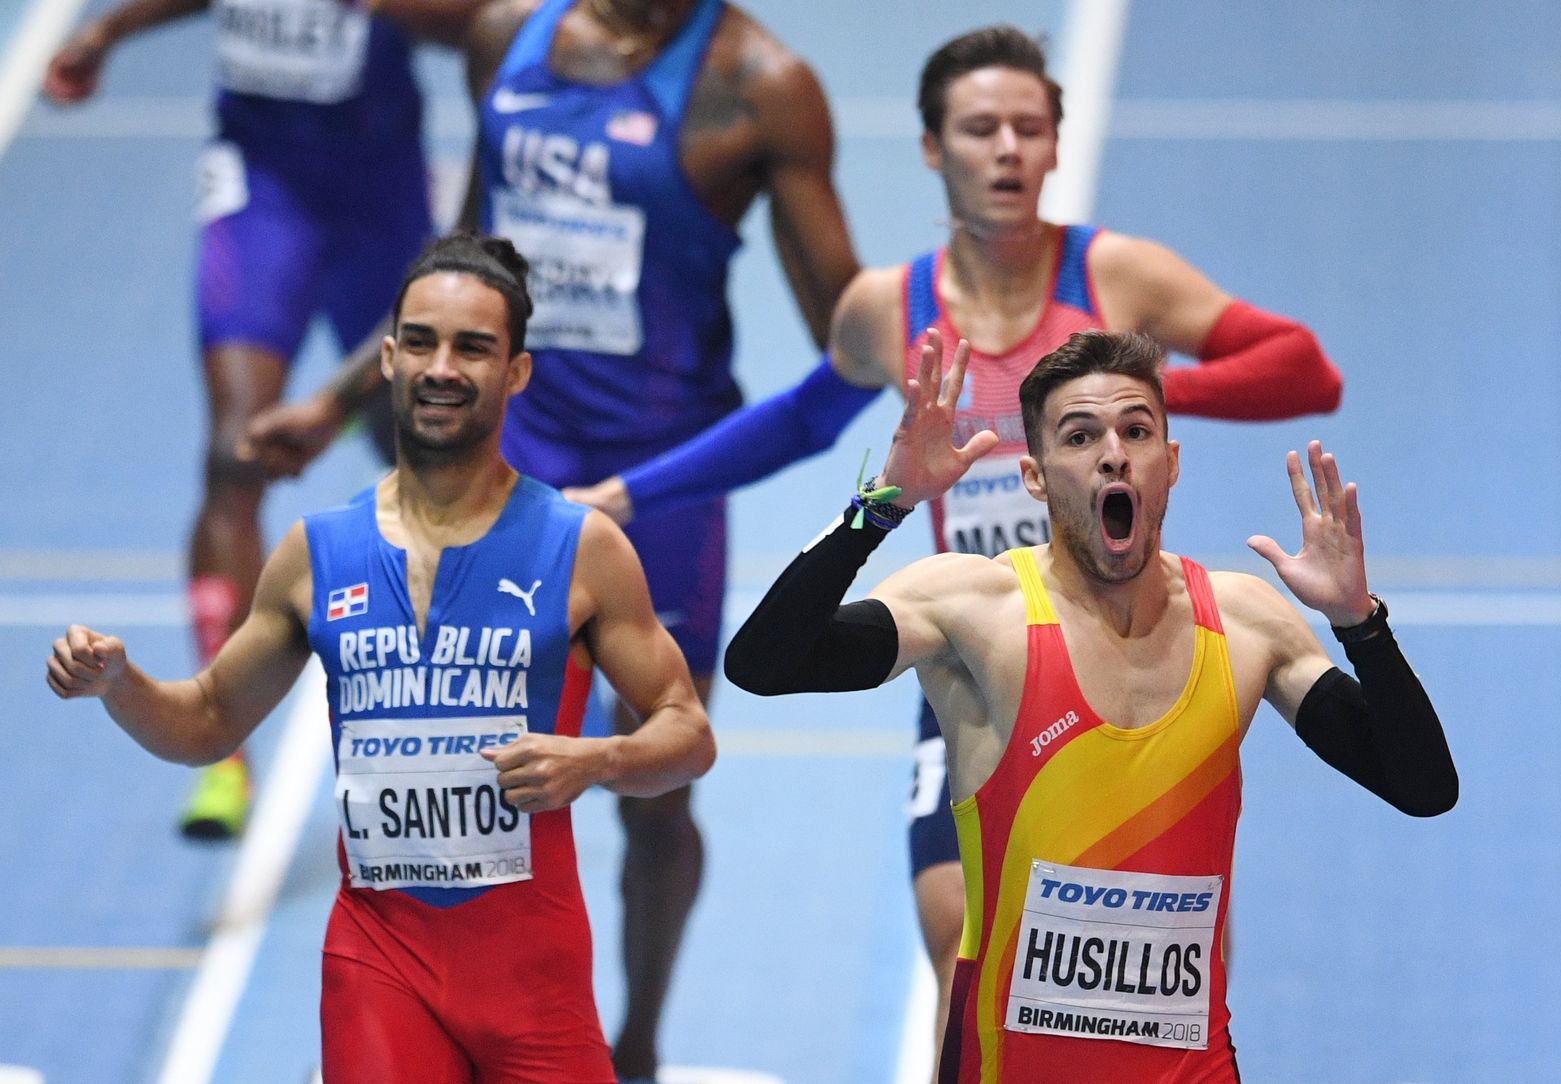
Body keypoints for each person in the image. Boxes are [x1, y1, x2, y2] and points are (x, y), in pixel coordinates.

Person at [561, 24, 1345, 1058]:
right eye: (981, 128)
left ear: (1057, 147)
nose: (1008, 149)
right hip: (983, 662)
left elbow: (1303, 369)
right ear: (932, 148)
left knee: (1162, 988)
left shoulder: (1117, 278)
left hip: (1132, 658)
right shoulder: (891, 308)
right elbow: (793, 423)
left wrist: (1120, 399)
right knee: (966, 961)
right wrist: (626, 492)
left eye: (1029, 127)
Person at [240, 2, 859, 1076]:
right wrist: (338, 400)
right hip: (506, 458)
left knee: (659, 787)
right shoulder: (506, 40)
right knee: (438, 752)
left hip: (658, 486)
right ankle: (402, 1013)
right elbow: (465, 258)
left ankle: (639, 1046)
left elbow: (848, 335)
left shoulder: (761, 85)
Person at [47, 231, 716, 1084]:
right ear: (389, 360)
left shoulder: (581, 548)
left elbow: (688, 735)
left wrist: (598, 758)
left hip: (534, 978)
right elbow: (208, 721)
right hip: (379, 966)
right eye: (424, 343)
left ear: (516, 373)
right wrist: (119, 683)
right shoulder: (315, 554)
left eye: (474, 347)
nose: (444, 367)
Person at [721, 328, 1456, 1081]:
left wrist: (1360, 624)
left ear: (1169, 466)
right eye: (1080, 436)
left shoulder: (1244, 623)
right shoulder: (973, 607)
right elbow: (762, 664)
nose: (1113, 453)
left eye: (1136, 430)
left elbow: (1424, 788)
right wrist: (878, 509)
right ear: (1036, 478)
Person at [43, 0, 490, 840]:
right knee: (234, 454)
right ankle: (221, 742)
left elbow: (484, 21)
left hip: (378, 198)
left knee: (427, 447)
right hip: (261, 190)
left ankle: (458, 701)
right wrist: (108, 31)